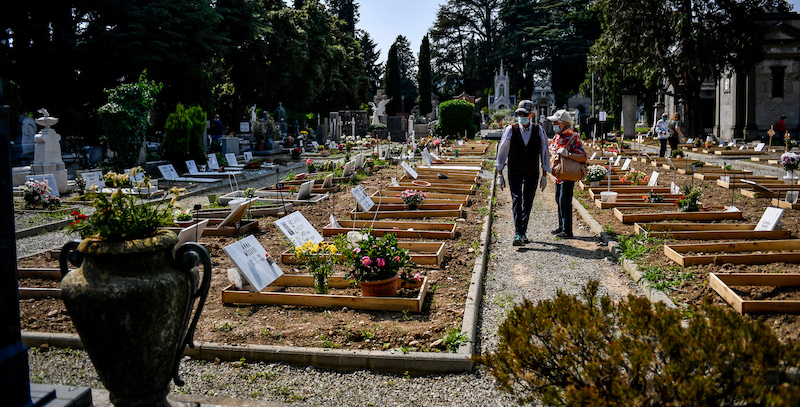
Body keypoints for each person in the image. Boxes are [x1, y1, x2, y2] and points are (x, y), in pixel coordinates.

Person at [495, 100, 551, 246]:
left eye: (524, 114)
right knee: (516, 199)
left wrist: (545, 175)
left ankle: (523, 232)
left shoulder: (539, 130)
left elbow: (544, 152)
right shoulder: (510, 130)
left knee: (528, 201)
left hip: (532, 171)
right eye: (519, 113)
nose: (521, 116)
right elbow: (502, 151)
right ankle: (518, 233)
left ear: (531, 115)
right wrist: (499, 174)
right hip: (515, 170)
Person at [548, 109, 587, 238]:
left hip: (567, 174)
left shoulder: (572, 137)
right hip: (559, 175)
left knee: (565, 201)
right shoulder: (557, 136)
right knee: (558, 200)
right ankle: (561, 227)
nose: (554, 124)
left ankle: (567, 230)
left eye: (556, 122)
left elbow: (583, 156)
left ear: (564, 123)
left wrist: (568, 154)